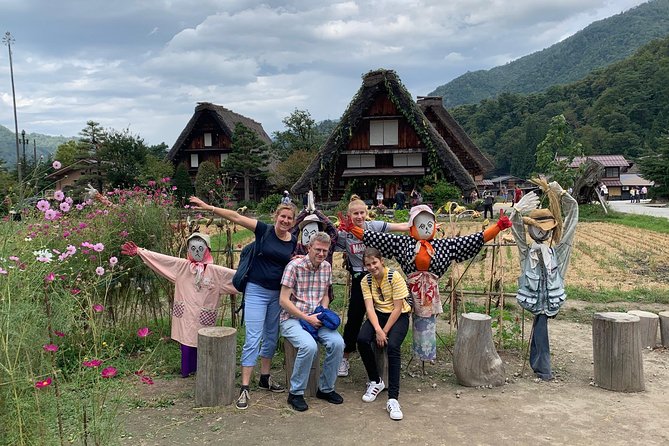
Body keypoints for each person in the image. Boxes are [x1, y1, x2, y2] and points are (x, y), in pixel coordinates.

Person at [346, 204, 511, 362]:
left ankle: (423, 356)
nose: (425, 228)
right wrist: (352, 229)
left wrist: (497, 227)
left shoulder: (444, 245)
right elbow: (375, 237)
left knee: (426, 326)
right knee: (397, 317)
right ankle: (387, 351)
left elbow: (475, 239)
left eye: (428, 224)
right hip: (407, 290)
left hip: (429, 293)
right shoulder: (402, 243)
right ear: (412, 227)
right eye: (420, 224)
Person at [189, 195, 297, 410]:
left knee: (270, 335)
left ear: (293, 221)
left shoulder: (293, 241)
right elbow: (236, 217)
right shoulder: (263, 230)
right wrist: (208, 207)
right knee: (253, 337)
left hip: (277, 294)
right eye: (282, 216)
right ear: (276, 216)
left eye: (289, 218)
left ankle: (265, 377)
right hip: (256, 291)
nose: (285, 221)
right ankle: (245, 386)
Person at [120, 233, 238, 378]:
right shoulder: (181, 267)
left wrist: (262, 275)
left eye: (200, 248)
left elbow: (239, 277)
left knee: (205, 340)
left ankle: (204, 371)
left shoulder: (216, 272)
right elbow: (162, 260)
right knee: (187, 341)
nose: (196, 252)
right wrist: (140, 252)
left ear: (208, 250)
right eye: (192, 248)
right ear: (188, 250)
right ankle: (187, 371)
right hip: (186, 313)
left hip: (204, 314)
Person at [335, 195, 410, 377]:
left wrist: (422, 227)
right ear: (349, 215)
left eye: (362, 213)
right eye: (355, 214)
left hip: (379, 278)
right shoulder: (345, 234)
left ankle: (386, 354)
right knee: (354, 318)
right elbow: (329, 243)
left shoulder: (374, 226)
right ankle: (345, 357)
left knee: (384, 312)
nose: (359, 216)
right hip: (360, 279)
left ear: (366, 213)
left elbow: (400, 227)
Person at [510, 179, 578, 381]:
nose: (540, 231)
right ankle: (541, 367)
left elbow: (573, 219)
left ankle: (542, 367)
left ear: (550, 229)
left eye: (544, 228)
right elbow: (517, 233)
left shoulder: (557, 253)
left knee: (540, 329)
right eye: (536, 228)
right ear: (530, 229)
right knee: (540, 329)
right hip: (532, 301)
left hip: (551, 301)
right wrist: (516, 210)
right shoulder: (526, 253)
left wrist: (563, 195)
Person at [279, 232, 345, 411]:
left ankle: (325, 388)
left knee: (338, 343)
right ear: (309, 248)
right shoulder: (294, 266)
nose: (321, 254)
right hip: (293, 318)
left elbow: (325, 295)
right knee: (309, 346)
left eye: (325, 250)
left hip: (315, 317)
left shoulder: (326, 267)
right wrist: (306, 317)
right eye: (318, 249)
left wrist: (321, 312)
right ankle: (296, 392)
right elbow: (283, 300)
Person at [357, 248, 411, 421]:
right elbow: (370, 307)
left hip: (398, 315)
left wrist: (384, 332)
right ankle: (375, 381)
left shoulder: (394, 276)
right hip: (378, 314)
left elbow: (397, 308)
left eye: (374, 263)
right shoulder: (366, 281)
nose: (372, 267)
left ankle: (393, 399)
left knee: (393, 346)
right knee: (363, 339)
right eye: (368, 264)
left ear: (381, 262)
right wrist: (378, 330)